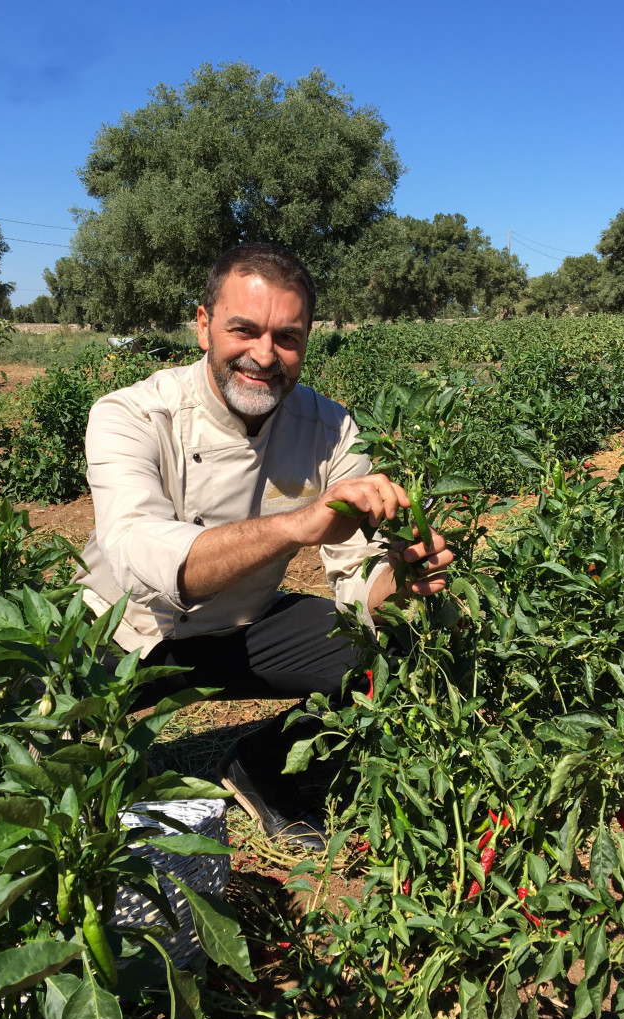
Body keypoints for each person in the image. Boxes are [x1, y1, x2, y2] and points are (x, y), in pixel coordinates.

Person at [74, 243, 453, 850]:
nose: (264, 355)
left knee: (391, 649)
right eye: (243, 330)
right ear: (203, 326)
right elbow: (137, 550)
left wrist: (398, 582)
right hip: (118, 635)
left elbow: (356, 569)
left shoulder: (329, 428)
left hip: (240, 632)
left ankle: (260, 766)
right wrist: (293, 526)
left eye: (288, 337)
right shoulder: (133, 414)